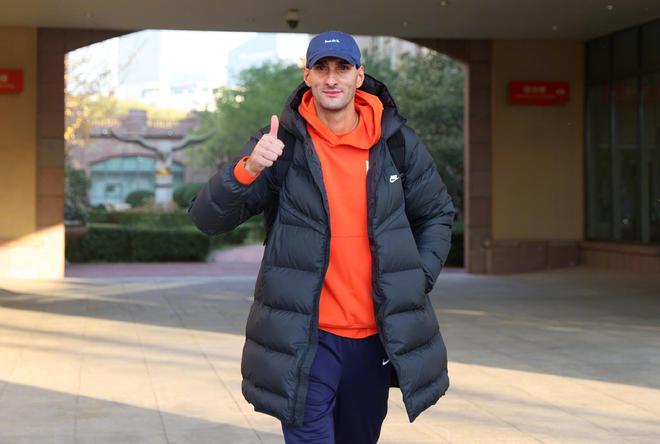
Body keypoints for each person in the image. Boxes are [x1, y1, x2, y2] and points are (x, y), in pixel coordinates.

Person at [188, 30, 455, 444]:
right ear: (307, 75)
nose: (332, 78)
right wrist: (248, 168)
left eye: (342, 68)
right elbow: (207, 219)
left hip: (373, 340)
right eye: (322, 68)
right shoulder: (280, 145)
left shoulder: (395, 142)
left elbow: (438, 212)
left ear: (359, 75)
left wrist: (416, 279)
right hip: (307, 341)